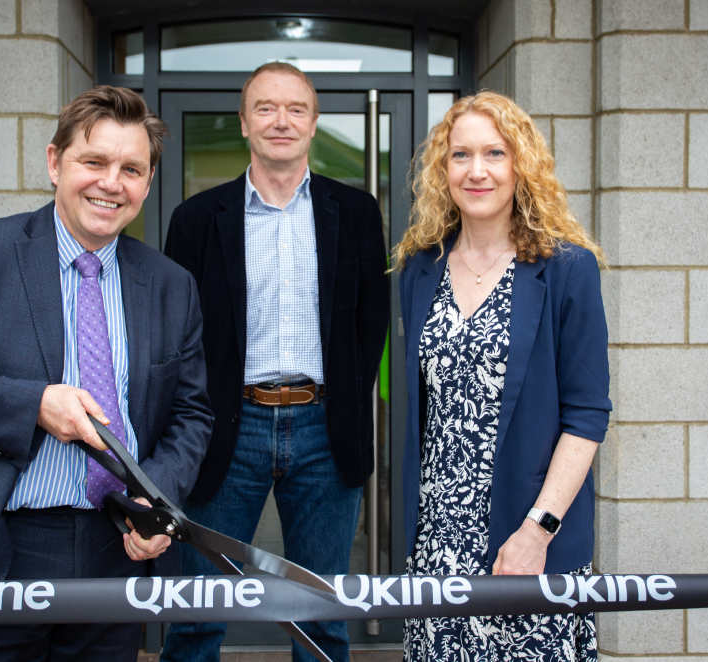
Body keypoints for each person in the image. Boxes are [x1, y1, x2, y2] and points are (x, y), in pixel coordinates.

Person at [0, 86, 213, 661]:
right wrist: (33, 404)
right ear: (55, 162)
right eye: (94, 162)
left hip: (115, 553)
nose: (112, 183)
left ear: (148, 184)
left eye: (132, 169)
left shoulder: (170, 284)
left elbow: (191, 415)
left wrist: (157, 501)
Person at [159, 62, 389, 662]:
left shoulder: (357, 212)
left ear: (314, 123)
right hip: (224, 431)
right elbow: (179, 339)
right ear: (244, 123)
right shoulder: (195, 220)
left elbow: (371, 324)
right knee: (197, 613)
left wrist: (337, 400)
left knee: (320, 615)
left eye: (295, 109)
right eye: (265, 107)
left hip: (322, 430)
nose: (280, 120)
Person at [393, 91, 610, 661]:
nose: (478, 170)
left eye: (495, 153)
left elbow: (587, 415)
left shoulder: (566, 268)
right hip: (438, 541)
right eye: (460, 155)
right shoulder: (421, 266)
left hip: (526, 535)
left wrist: (538, 532)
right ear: (444, 170)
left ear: (522, 165)